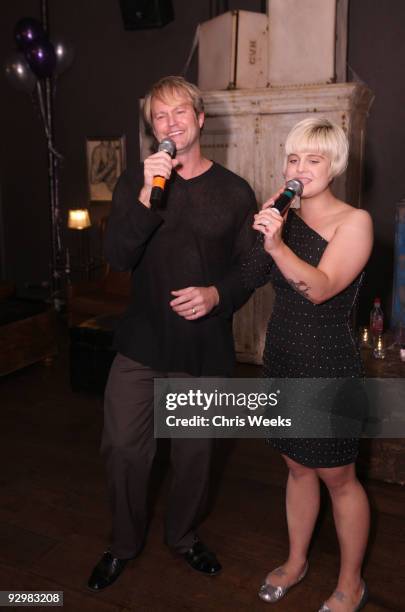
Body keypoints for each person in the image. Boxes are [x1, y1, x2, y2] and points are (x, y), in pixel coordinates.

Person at [87, 76, 257, 591]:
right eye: (159, 116)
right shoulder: (135, 183)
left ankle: (183, 537)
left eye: (180, 112)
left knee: (194, 456)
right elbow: (118, 257)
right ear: (151, 128)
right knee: (121, 449)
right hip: (141, 342)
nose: (170, 123)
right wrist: (144, 193)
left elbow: (251, 268)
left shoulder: (233, 191)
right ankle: (123, 544)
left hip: (202, 347)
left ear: (200, 120)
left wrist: (216, 296)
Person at [242, 117, 373, 612]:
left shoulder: (354, 221)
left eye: (313, 159)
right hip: (283, 356)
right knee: (296, 467)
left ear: (333, 164)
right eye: (294, 158)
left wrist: (278, 246)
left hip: (328, 363)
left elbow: (318, 288)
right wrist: (262, 231)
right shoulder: (284, 217)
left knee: (339, 477)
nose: (300, 168)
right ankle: (297, 561)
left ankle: (350, 583)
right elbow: (250, 274)